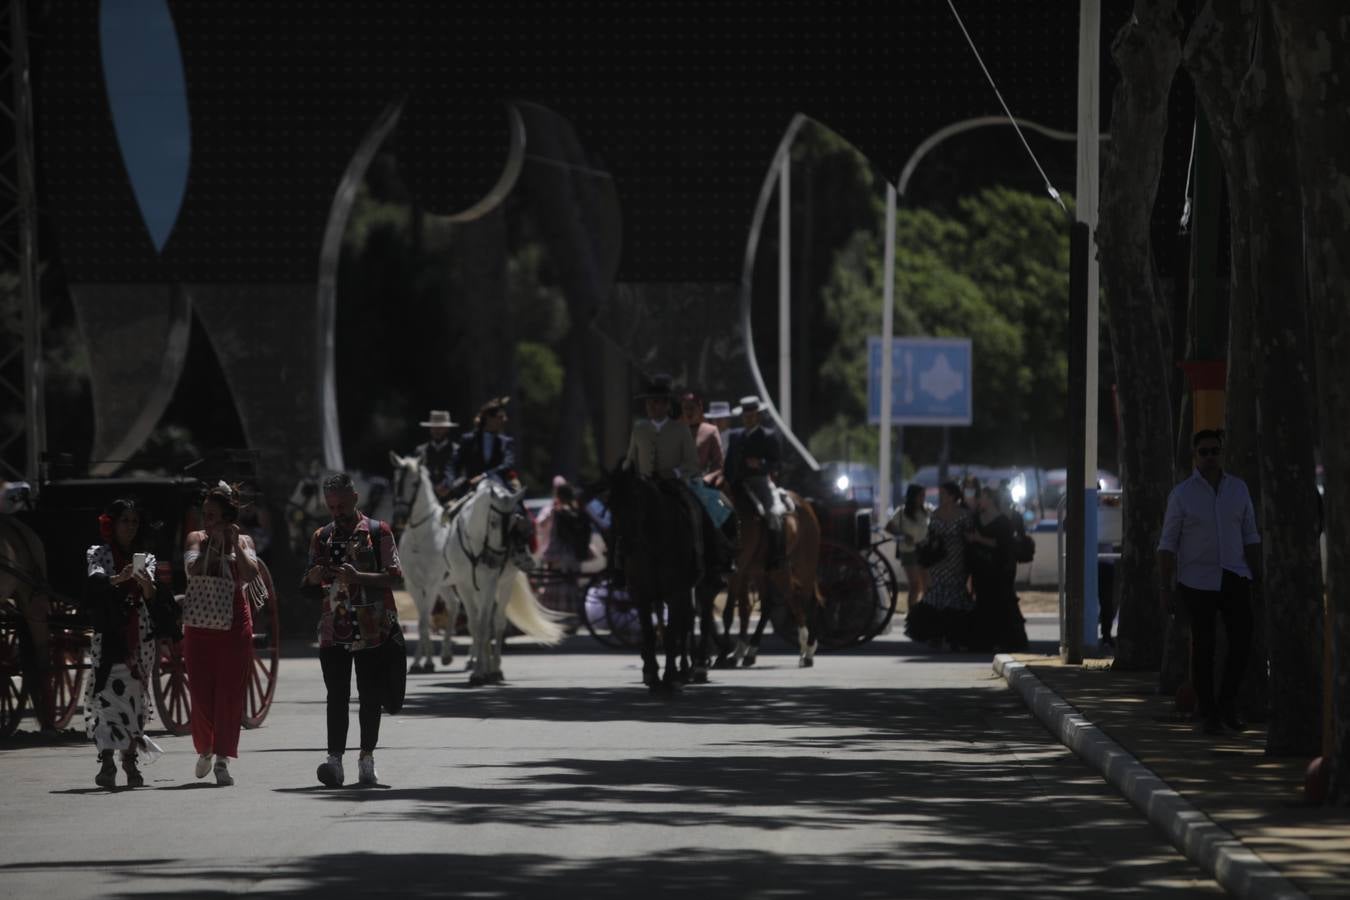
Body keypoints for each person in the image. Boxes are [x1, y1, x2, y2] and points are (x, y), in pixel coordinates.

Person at [302, 472, 404, 786]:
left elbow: (395, 577)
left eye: (342, 505)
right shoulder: (321, 536)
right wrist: (314, 576)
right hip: (335, 627)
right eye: (331, 507)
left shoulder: (378, 531)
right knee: (336, 695)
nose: (337, 512)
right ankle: (334, 759)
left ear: (355, 498)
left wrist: (358, 576)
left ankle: (366, 758)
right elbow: (306, 586)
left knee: (370, 695)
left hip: (372, 628)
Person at [1157, 429, 1261, 736]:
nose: (1210, 457)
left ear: (1223, 453)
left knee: (1242, 642)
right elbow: (1167, 544)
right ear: (1194, 456)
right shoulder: (1182, 495)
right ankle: (1209, 712)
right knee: (1204, 646)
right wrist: (1166, 587)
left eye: (1215, 451)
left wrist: (1258, 575)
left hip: (1235, 575)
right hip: (1195, 580)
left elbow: (1251, 535)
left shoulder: (1238, 490)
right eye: (1204, 452)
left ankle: (1227, 704)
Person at [183, 483, 260, 787]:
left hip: (234, 622)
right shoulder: (196, 539)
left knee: (229, 694)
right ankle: (205, 747)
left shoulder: (243, 540)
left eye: (213, 515)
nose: (207, 521)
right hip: (200, 623)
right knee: (201, 693)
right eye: (205, 515)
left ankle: (223, 759)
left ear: (227, 516)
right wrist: (210, 546)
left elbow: (251, 573)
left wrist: (234, 546)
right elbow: (192, 570)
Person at [82, 498, 161, 788]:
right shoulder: (99, 553)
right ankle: (106, 760)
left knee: (135, 696)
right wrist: (119, 578)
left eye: (134, 522)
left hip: (139, 633)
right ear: (112, 525)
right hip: (108, 628)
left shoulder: (146, 557)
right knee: (105, 692)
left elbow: (152, 595)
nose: (129, 526)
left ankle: (129, 759)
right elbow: (96, 582)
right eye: (124, 521)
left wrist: (144, 582)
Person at [624, 374, 705, 574]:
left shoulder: (680, 430)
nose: (652, 406)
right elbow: (630, 459)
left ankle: (701, 559)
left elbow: (692, 463)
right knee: (622, 516)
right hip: (643, 486)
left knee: (696, 511)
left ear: (667, 405)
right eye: (650, 402)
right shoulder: (639, 429)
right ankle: (619, 564)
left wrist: (674, 472)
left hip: (672, 486)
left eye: (658, 402)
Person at [904, 481, 975, 649]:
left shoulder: (964, 514)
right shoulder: (935, 514)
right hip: (939, 560)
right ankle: (935, 634)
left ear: (952, 496)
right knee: (937, 593)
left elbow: (970, 537)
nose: (940, 497)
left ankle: (955, 636)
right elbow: (930, 536)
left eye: (943, 494)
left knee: (955, 592)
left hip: (957, 559)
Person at [723, 396, 785, 566]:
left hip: (759, 482)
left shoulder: (768, 436)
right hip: (737, 483)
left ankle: (776, 554)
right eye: (745, 416)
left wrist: (761, 464)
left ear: (758, 416)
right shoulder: (735, 437)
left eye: (752, 415)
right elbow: (729, 462)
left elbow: (777, 464)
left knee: (773, 513)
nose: (748, 418)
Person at [965, 487, 1027, 651]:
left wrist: (978, 538)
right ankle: (984, 641)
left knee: (1000, 602)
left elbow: (1001, 544)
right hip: (980, 568)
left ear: (990, 499)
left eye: (982, 497)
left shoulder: (1003, 520)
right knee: (982, 602)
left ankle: (1005, 640)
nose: (979, 500)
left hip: (998, 569)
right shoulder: (977, 517)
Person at [450, 397, 517, 498]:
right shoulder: (468, 440)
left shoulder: (506, 442)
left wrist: (485, 475)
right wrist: (451, 483)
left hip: (500, 487)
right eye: (500, 417)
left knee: (517, 508)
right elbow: (455, 465)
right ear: (488, 418)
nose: (504, 420)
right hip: (471, 489)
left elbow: (508, 464)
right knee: (451, 511)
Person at [885, 484, 930, 611]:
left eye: (924, 495)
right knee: (915, 585)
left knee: (926, 585)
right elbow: (889, 527)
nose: (923, 498)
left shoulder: (926, 511)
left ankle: (926, 612)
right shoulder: (901, 512)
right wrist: (903, 535)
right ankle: (912, 614)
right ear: (913, 496)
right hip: (908, 551)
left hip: (924, 550)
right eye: (920, 495)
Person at [414, 409, 460, 501]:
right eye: (434, 428)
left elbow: (463, 475)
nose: (437, 431)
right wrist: (431, 486)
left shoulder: (457, 450)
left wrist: (449, 486)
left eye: (440, 428)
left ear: (447, 429)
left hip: (453, 499)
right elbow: (415, 475)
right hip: (425, 499)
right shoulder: (421, 451)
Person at [680, 392, 724, 480]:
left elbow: (718, 464)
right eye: (685, 408)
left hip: (701, 482)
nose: (689, 412)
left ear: (700, 408)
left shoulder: (710, 431)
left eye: (692, 408)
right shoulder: (675, 431)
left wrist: (707, 479)